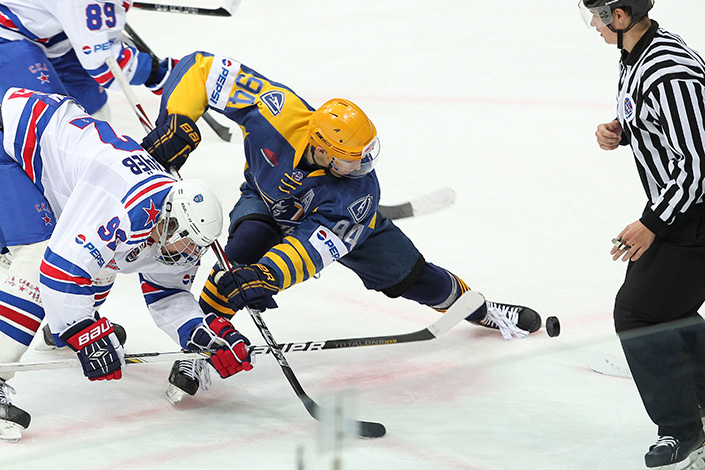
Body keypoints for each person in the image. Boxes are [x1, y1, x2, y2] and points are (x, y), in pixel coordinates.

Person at [139, 51, 543, 396]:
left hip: (344, 226)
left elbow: (314, 245)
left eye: (363, 155)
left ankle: (481, 309)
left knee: (414, 278)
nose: (362, 165)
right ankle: (199, 350)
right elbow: (201, 69)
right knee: (236, 261)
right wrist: (176, 120)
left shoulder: (358, 192)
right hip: (265, 201)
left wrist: (269, 275)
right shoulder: (277, 111)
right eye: (351, 159)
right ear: (320, 147)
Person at [0, 87, 253, 443]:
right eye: (185, 242)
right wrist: (82, 332)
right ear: (168, 221)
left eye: (194, 247)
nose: (187, 253)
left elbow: (167, 293)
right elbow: (59, 272)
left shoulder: (177, 225)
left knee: (103, 260)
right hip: (13, 141)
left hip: (58, 158)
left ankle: (58, 331)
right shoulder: (126, 209)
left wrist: (202, 334)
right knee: (38, 257)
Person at [580, 0, 705, 467]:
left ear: (619, 16)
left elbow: (698, 164)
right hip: (684, 209)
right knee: (665, 309)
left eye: (596, 15)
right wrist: (625, 132)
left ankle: (682, 430)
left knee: (639, 313)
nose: (593, 25)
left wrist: (652, 222)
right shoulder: (638, 53)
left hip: (693, 211)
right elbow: (667, 124)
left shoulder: (668, 72)